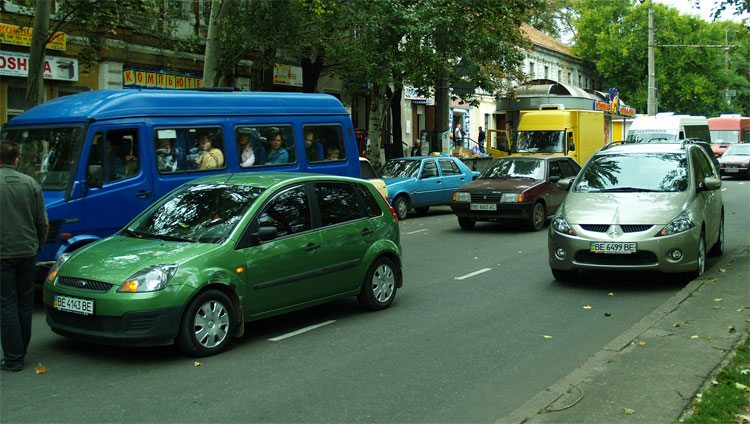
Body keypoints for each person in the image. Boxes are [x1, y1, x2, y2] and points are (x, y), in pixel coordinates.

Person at [0, 142, 48, 372]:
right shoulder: (31, 184)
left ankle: (13, 357)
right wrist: (37, 244)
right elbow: (42, 222)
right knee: (24, 303)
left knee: (7, 303)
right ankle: (21, 350)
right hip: (28, 251)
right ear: (17, 159)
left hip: (3, 253)